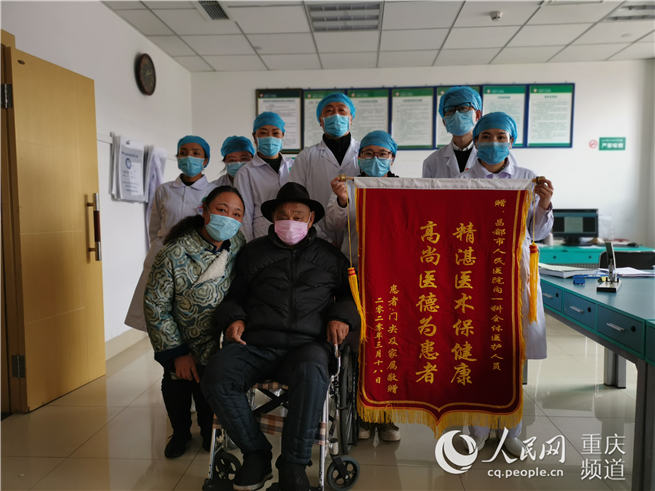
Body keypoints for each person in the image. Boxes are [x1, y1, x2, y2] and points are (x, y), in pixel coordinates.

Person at [201, 182, 360, 491]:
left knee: (313, 372)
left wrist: (341, 317)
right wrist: (234, 318)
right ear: (273, 219)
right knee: (217, 375)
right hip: (256, 343)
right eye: (283, 216)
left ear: (311, 219)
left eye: (298, 216)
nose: (290, 221)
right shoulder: (252, 254)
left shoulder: (331, 257)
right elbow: (233, 297)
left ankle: (293, 465)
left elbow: (348, 297)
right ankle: (256, 453)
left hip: (306, 347)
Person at [463, 112, 554, 456]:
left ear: (511, 141)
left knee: (512, 354)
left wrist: (544, 203)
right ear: (476, 141)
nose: (493, 142)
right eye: (486, 136)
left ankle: (509, 430)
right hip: (475, 272)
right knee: (475, 351)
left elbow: (538, 232)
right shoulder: (463, 180)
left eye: (501, 136)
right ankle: (477, 430)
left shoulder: (528, 178)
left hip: (514, 274)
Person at [144, 185, 246, 459]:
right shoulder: (174, 253)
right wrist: (177, 353)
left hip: (217, 340)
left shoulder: (237, 244)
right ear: (205, 211)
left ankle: (208, 430)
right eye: (222, 210)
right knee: (178, 386)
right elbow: (156, 305)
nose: (229, 218)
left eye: (236, 214)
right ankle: (180, 433)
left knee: (208, 392)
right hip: (181, 338)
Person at [325, 130, 401, 443]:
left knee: (390, 344)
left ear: (392, 158)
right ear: (358, 158)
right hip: (355, 274)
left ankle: (387, 415)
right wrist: (342, 200)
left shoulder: (404, 188)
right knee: (359, 345)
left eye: (382, 154)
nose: (375, 159)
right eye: (368, 153)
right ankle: (363, 413)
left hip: (394, 276)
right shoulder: (348, 185)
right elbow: (332, 225)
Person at [125, 135, 217, 331]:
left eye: (195, 153)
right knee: (159, 311)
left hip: (195, 257)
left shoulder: (214, 191)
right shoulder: (164, 190)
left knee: (188, 314)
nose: (189, 157)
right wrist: (158, 249)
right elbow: (154, 227)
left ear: (206, 160)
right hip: (164, 252)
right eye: (183, 153)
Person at [289, 92, 360, 243]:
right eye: (329, 111)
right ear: (320, 121)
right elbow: (295, 198)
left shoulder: (364, 153)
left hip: (357, 233)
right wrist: (316, 232)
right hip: (318, 235)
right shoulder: (306, 156)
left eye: (342, 110)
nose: (336, 115)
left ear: (351, 118)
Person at [422, 86, 519, 178]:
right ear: (444, 121)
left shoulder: (502, 157)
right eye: (450, 110)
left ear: (477, 115)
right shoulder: (432, 162)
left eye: (463, 108)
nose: (457, 114)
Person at [235, 111, 293, 241]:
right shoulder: (245, 172)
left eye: (275, 133)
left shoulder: (294, 166)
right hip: (262, 236)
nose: (270, 138)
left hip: (292, 233)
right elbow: (245, 215)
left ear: (283, 135)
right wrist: (249, 245)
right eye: (263, 133)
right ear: (254, 137)